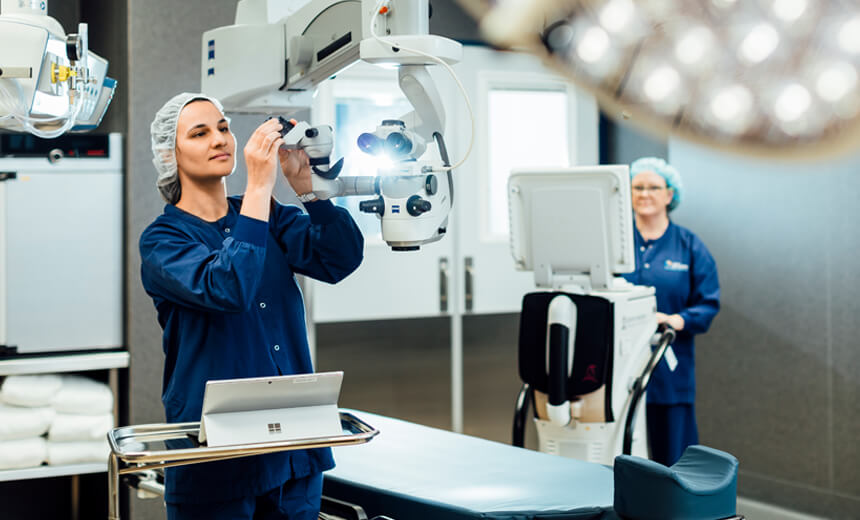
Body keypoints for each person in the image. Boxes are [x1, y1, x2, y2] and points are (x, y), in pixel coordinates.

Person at [139, 92, 364, 519]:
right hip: (217, 461)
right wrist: (260, 186)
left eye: (223, 127)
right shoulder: (162, 242)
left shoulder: (270, 215)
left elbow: (339, 259)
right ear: (171, 154)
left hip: (296, 447)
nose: (219, 139)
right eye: (200, 133)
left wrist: (311, 193)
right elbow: (229, 288)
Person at [621, 157, 720, 467]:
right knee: (623, 450)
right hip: (620, 363)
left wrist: (676, 320)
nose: (644, 193)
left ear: (669, 194)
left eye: (653, 187)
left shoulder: (689, 245)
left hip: (669, 367)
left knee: (673, 458)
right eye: (637, 187)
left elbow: (708, 303)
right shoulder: (618, 243)